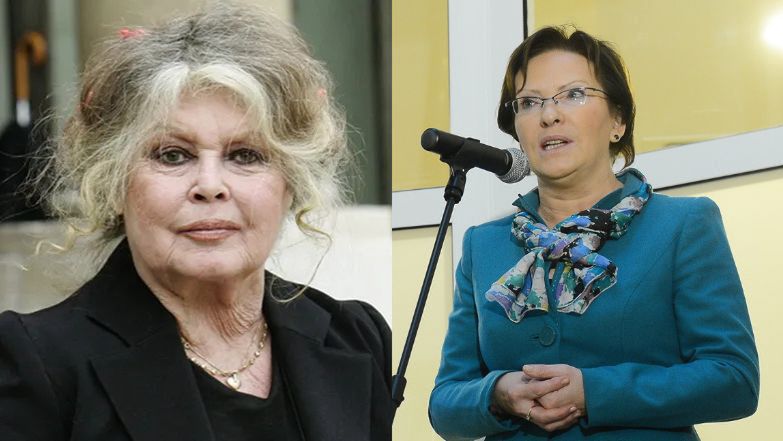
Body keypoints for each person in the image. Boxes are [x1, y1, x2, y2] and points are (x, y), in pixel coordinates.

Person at [0, 4, 392, 441]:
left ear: (292, 182)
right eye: (173, 155)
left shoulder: (355, 336)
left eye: (245, 155)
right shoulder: (37, 362)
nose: (210, 185)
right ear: (114, 181)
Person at [429, 26, 759, 440]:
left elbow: (734, 379)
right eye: (529, 103)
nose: (549, 115)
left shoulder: (683, 225)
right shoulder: (484, 244)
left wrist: (594, 392)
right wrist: (496, 394)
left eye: (574, 94)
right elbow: (445, 404)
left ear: (618, 121)